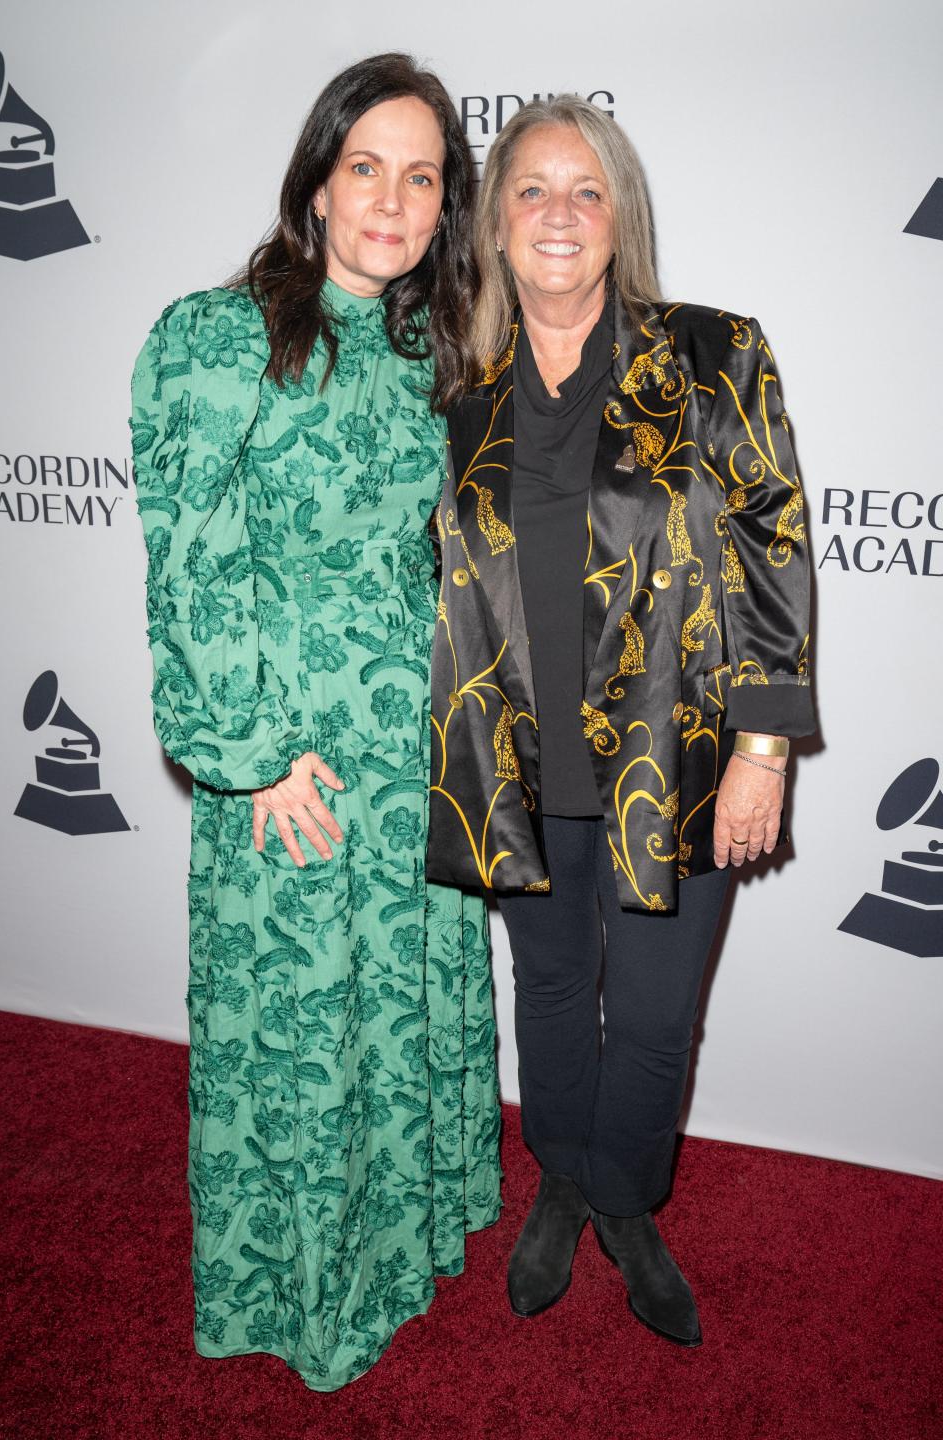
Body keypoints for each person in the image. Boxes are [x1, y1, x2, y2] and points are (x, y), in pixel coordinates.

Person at [129, 53, 500, 1392]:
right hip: (295, 756)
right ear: (318, 178)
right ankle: (297, 1289)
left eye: (423, 177)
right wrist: (245, 757)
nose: (393, 201)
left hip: (412, 752)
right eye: (368, 168)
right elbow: (191, 563)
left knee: (385, 1008)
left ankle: (391, 1249)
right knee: (297, 1027)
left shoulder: (422, 348)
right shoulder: (224, 337)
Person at [426, 96, 816, 1347]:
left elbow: (773, 546)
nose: (557, 213)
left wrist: (763, 750)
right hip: (517, 764)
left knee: (652, 1013)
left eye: (585, 190)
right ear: (493, 222)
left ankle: (629, 1204)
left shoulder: (714, 352)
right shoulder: (452, 386)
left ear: (619, 217)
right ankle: (562, 1180)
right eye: (530, 188)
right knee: (548, 990)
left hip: (679, 755)